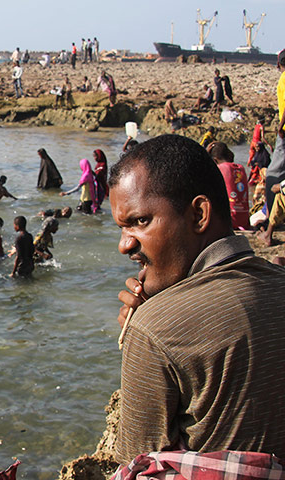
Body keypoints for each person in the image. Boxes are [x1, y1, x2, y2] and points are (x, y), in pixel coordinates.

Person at [110, 134, 285, 473]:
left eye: (140, 221)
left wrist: (148, 328)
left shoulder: (153, 330)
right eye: (121, 227)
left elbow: (135, 465)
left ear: (199, 215)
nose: (124, 245)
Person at [208, 142, 249, 231]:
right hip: (244, 220)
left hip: (229, 221)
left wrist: (206, 156)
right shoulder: (241, 168)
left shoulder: (220, 168)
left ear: (215, 160)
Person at [265, 50, 285, 217]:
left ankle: (272, 214)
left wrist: (280, 126)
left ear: (278, 64)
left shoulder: (284, 78)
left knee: (273, 173)